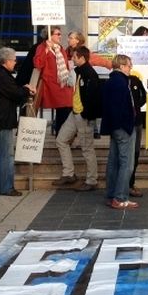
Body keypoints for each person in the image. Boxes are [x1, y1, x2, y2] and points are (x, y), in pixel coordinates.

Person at [0, 47, 35, 196]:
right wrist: (26, 90)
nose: (15, 63)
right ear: (6, 61)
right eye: (14, 60)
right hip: (2, 119)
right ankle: (7, 187)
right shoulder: (2, 76)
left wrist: (21, 89)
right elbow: (15, 93)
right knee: (6, 155)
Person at [53, 46, 102, 191]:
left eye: (74, 57)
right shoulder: (78, 71)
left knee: (87, 148)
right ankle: (68, 173)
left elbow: (93, 98)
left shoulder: (90, 74)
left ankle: (92, 180)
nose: (72, 59)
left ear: (82, 58)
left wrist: (87, 115)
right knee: (61, 140)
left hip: (83, 115)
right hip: (74, 113)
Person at [100, 54, 139, 209]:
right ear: (122, 66)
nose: (131, 68)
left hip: (114, 126)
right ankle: (120, 197)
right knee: (126, 163)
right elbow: (122, 107)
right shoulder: (121, 83)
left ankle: (111, 194)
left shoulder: (111, 81)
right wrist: (127, 125)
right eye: (129, 66)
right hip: (123, 127)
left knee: (114, 162)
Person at [33, 26, 73, 136]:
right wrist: (46, 50)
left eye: (60, 34)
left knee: (67, 108)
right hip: (51, 84)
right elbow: (38, 64)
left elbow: (65, 65)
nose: (60, 36)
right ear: (50, 35)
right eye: (58, 34)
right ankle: (61, 135)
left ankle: (63, 135)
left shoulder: (60, 48)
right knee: (63, 108)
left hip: (63, 83)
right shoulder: (42, 47)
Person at [128, 70, 147, 198]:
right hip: (127, 123)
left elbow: (144, 95)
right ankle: (125, 185)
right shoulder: (119, 82)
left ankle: (130, 183)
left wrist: (137, 107)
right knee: (127, 156)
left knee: (135, 154)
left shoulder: (135, 80)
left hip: (137, 121)